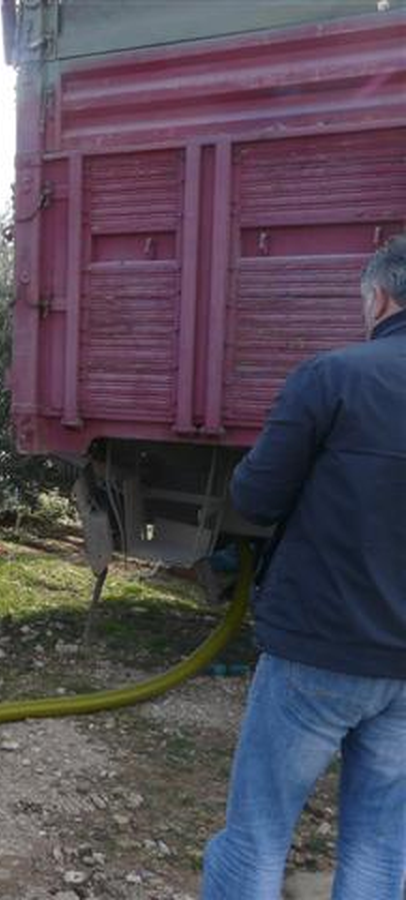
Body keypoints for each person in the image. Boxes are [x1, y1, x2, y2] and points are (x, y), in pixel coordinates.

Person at [201, 236, 406, 900]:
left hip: (321, 650)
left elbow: (256, 498)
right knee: (379, 845)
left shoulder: (334, 376)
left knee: (258, 833)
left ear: (379, 297)